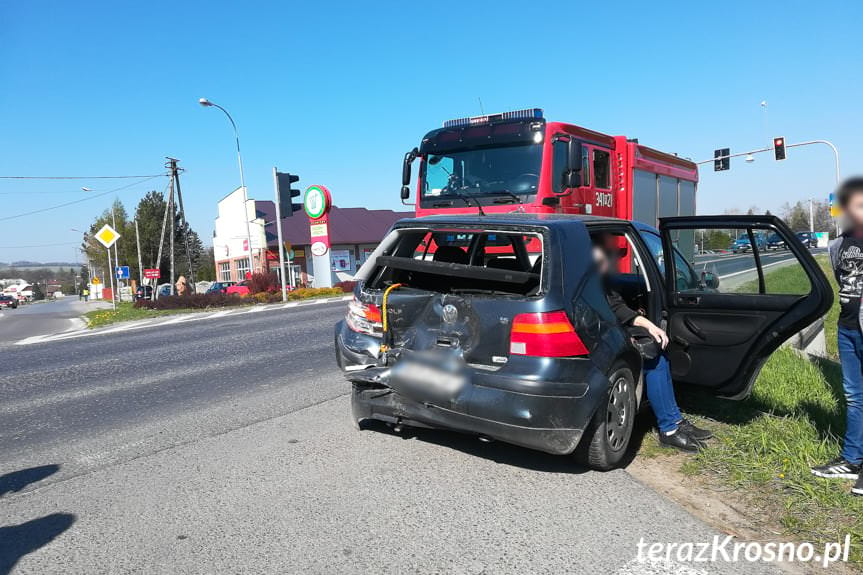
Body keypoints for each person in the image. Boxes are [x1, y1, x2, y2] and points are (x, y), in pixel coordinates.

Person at [593, 244, 712, 452]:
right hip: (597, 339)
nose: (609, 265)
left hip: (604, 333)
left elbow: (617, 308)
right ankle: (668, 430)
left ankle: (675, 421)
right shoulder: (590, 282)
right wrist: (647, 325)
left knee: (658, 351)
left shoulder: (585, 277)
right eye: (602, 261)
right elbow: (615, 310)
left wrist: (649, 326)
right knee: (654, 359)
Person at [812, 177, 863, 495]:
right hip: (846, 329)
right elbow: (841, 281)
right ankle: (852, 459)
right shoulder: (837, 245)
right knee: (855, 397)